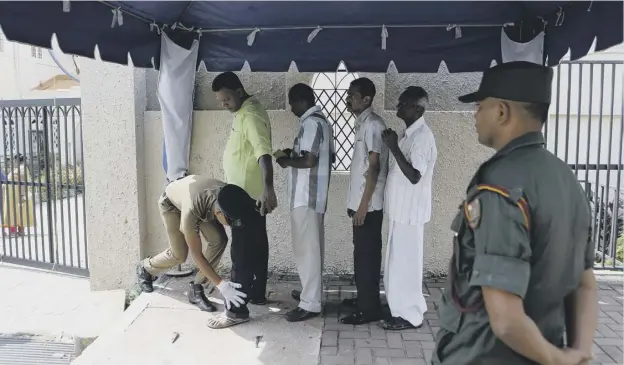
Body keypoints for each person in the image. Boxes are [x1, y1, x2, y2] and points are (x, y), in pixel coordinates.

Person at [432, 61, 597, 365]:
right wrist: (578, 352)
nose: (475, 114)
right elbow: (584, 282)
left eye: (480, 105)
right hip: (541, 351)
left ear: (502, 112)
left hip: (483, 355)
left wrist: (558, 361)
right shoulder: (566, 179)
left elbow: (506, 320)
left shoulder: (500, 186)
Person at [137, 175, 259, 329]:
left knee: (219, 240)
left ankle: (196, 288)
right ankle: (145, 267)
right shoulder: (191, 212)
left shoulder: (229, 194)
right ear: (219, 214)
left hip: (200, 200)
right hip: (172, 204)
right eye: (231, 222)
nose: (232, 226)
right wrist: (222, 285)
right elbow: (197, 255)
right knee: (180, 254)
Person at [212, 72, 277, 306]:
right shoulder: (244, 111)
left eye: (227, 99)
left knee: (242, 251)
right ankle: (256, 293)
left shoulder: (250, 114)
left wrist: (268, 189)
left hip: (248, 199)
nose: (224, 104)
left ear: (239, 92)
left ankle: (237, 304)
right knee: (256, 246)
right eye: (220, 101)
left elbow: (263, 153)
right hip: (246, 195)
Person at [276, 83, 335, 322]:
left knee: (306, 251)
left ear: (301, 101)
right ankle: (312, 294)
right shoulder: (323, 122)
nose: (291, 108)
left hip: (306, 196)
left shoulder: (311, 124)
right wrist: (293, 154)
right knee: (312, 249)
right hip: (313, 196)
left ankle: (310, 304)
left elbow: (310, 161)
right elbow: (320, 157)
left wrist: (284, 161)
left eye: (292, 103)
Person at [380, 86, 437, 330]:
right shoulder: (408, 134)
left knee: (406, 266)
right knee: (397, 264)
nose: (397, 106)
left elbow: (414, 175)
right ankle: (399, 306)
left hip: (410, 213)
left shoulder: (422, 136)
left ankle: (410, 315)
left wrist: (392, 147)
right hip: (400, 212)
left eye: (403, 103)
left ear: (418, 108)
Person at [340, 77, 389, 325]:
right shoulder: (363, 123)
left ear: (367, 99)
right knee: (362, 255)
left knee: (367, 257)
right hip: (361, 204)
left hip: (368, 207)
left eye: (352, 95)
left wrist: (362, 206)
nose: (348, 99)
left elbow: (374, 168)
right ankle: (364, 299)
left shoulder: (373, 125)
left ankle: (369, 310)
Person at [2, 154, 35, 235]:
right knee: (15, 212)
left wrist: (22, 195)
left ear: (16, 161)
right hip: (12, 195)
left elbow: (23, 182)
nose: (11, 163)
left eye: (12, 161)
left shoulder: (22, 168)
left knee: (18, 212)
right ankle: (18, 231)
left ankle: (15, 231)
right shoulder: (17, 169)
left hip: (17, 195)